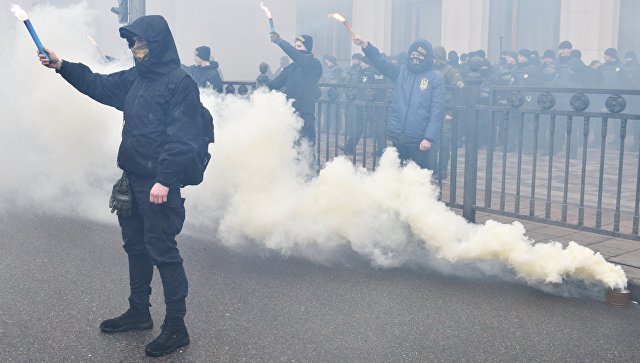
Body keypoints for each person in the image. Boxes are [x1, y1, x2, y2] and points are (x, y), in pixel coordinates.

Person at [38, 15, 200, 358]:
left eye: (137, 41)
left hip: (158, 183)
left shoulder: (180, 82)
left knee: (163, 252)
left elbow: (183, 138)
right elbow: (97, 84)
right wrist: (62, 65)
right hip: (132, 178)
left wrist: (164, 180)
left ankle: (176, 327)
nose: (133, 47)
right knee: (136, 247)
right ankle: (139, 312)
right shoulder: (136, 79)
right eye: (130, 42)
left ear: (155, 43)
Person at [353, 36, 445, 170]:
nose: (415, 57)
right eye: (412, 54)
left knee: (418, 177)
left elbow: (437, 111)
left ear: (427, 57)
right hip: (399, 136)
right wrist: (366, 46)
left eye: (419, 55)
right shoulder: (401, 71)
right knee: (397, 175)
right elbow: (381, 62)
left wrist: (428, 138)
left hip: (420, 139)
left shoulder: (435, 79)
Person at [267, 32, 322, 145]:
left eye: (299, 46)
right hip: (291, 111)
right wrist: (261, 89)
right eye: (295, 46)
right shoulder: (291, 67)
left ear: (308, 48)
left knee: (306, 145)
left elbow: (299, 58)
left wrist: (280, 42)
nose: (296, 49)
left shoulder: (313, 64)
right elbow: (276, 83)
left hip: (305, 112)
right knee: (291, 145)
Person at [431, 46, 464, 179]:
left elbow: (458, 90)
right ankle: (431, 168)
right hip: (430, 110)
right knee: (430, 142)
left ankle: (442, 169)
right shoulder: (428, 70)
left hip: (445, 111)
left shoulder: (450, 71)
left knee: (444, 142)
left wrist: (451, 111)